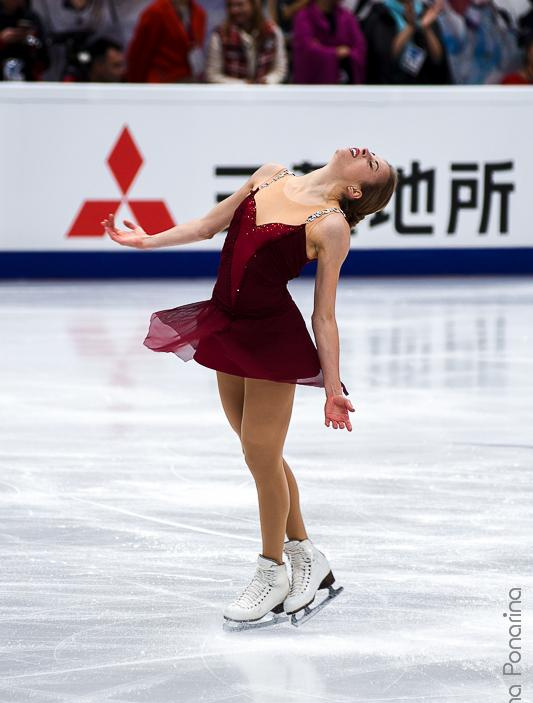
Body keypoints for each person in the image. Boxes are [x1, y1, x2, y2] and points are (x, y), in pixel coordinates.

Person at [102, 147, 398, 629]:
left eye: (373, 164)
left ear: (356, 190)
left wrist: (331, 387)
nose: (367, 153)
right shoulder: (269, 175)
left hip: (271, 339)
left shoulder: (330, 226)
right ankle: (307, 554)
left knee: (261, 453)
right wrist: (147, 241)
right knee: (261, 452)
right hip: (226, 325)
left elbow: (324, 316)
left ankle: (272, 569)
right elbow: (205, 226)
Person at [362, 0, 452, 84]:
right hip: (389, 90)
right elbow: (383, 60)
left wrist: (426, 29)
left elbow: (438, 60)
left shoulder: (425, 12)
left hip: (422, 89)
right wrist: (410, 27)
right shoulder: (379, 14)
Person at [205, 0, 287, 84]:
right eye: (230, 5)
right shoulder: (221, 34)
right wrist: (242, 84)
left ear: (254, 5)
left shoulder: (272, 32)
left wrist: (268, 80)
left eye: (240, 5)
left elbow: (280, 70)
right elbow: (212, 75)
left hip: (265, 93)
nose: (234, 10)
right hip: (231, 94)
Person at [126, 0, 206, 83]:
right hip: (162, 83)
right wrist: (136, 88)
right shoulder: (156, 12)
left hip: (190, 79)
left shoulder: (199, 13)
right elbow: (139, 55)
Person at [291, 0, 367, 83]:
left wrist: (322, 48)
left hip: (345, 81)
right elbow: (307, 48)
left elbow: (360, 47)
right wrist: (336, 52)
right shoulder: (304, 16)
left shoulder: (347, 16)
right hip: (314, 87)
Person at [0, 0, 49, 81]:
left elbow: (44, 57)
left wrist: (29, 38)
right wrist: (2, 39)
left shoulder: (31, 17)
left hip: (27, 74)